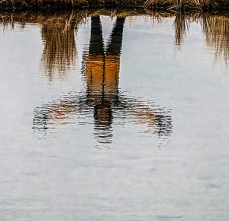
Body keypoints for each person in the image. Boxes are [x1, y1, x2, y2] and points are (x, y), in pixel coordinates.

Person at [33, 15, 172, 142]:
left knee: (95, 23)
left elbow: (67, 108)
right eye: (105, 117)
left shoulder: (89, 101)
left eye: (102, 117)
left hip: (94, 60)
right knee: (120, 23)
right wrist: (156, 120)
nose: (103, 113)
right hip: (113, 59)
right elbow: (136, 112)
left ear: (97, 116)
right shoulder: (116, 101)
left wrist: (48, 116)